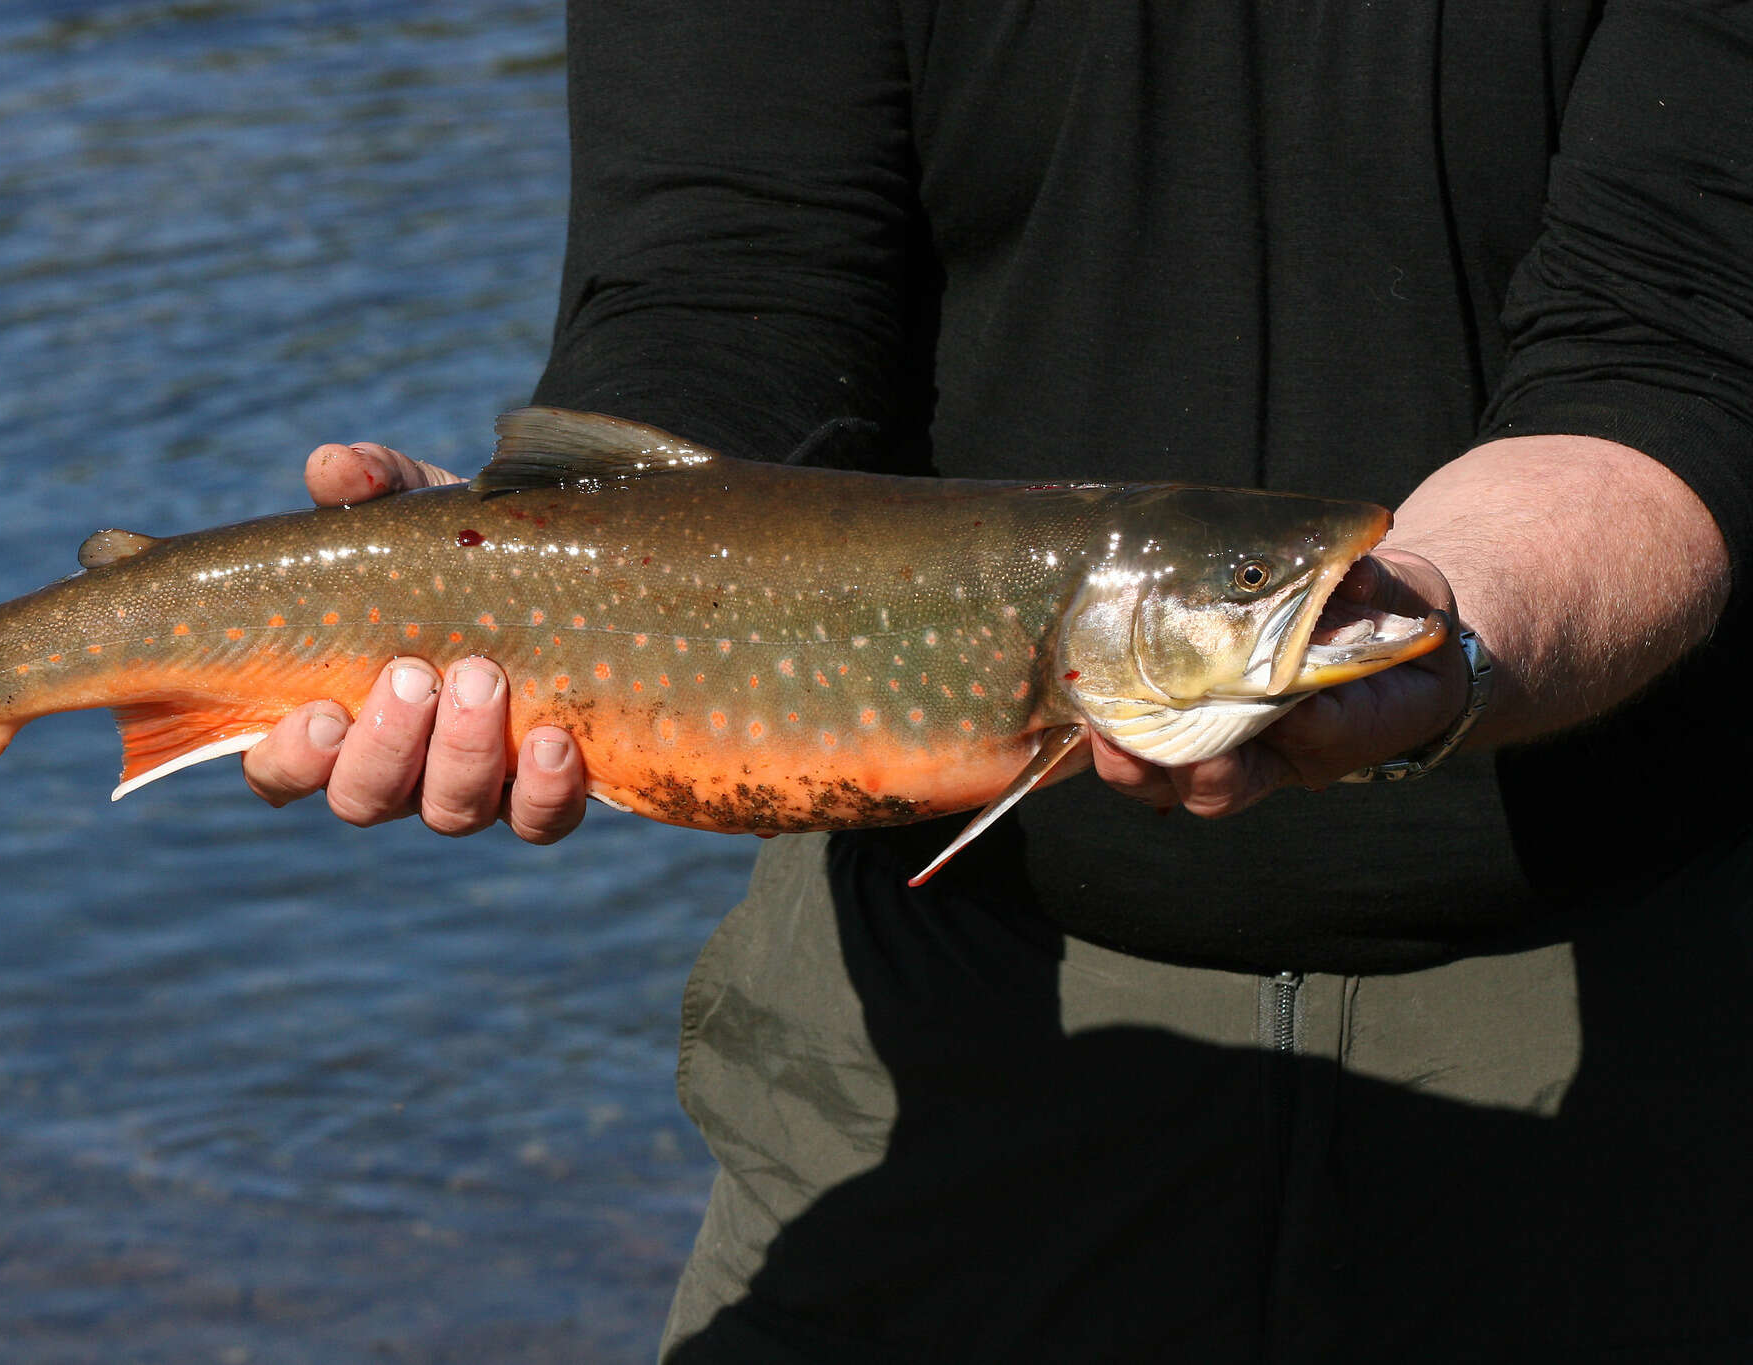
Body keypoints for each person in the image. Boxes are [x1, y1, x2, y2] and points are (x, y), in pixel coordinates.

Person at [247, 2, 1753, 1359]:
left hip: (1618, 1052)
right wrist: (511, 569)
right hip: (933, 1031)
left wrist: (1442, 623)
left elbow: (1680, 347)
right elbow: (729, 286)